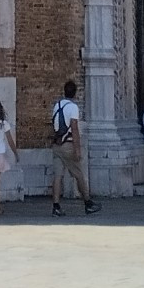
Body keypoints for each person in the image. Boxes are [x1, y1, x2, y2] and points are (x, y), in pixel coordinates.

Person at [49, 79, 95, 216]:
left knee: (57, 176)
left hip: (57, 145)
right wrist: (78, 148)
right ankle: (88, 203)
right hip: (68, 145)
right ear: (75, 93)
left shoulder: (57, 106)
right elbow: (74, 128)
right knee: (79, 174)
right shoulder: (73, 107)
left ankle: (56, 206)